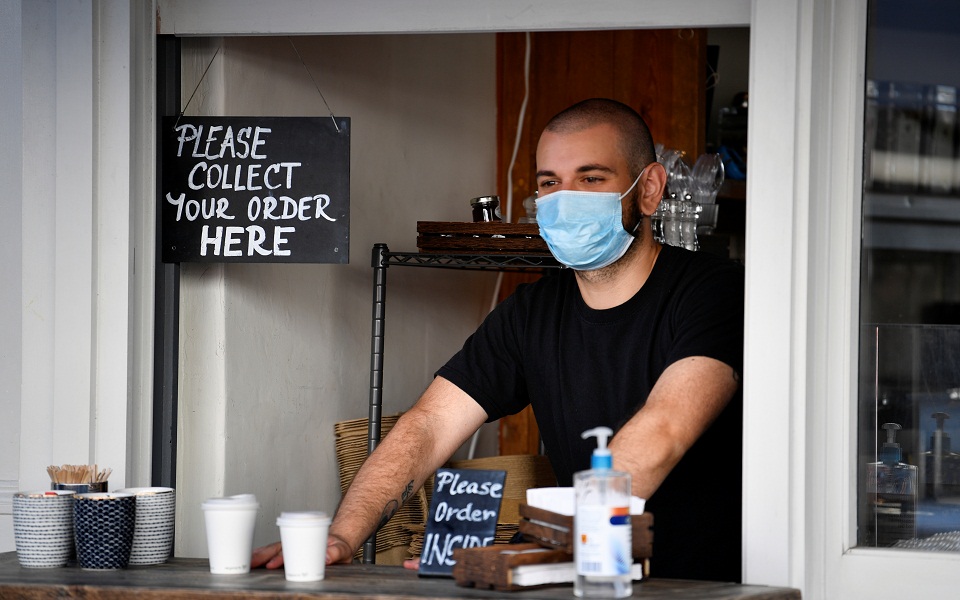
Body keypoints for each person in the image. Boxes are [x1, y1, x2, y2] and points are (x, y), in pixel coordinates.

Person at [252, 98, 744, 582]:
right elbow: (429, 425)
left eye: (591, 179)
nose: (564, 199)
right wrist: (343, 536)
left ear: (650, 188)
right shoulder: (531, 312)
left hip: (702, 585)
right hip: (582, 580)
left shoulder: (713, 292)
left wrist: (535, 552)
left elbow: (664, 429)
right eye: (550, 183)